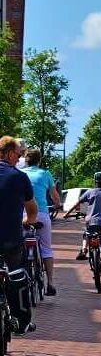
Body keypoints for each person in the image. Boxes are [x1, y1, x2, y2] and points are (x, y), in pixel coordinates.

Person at [0, 136, 38, 333]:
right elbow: (32, 210)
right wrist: (28, 223)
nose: (19, 158)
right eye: (18, 154)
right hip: (10, 240)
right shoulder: (19, 177)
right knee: (16, 274)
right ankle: (21, 320)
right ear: (8, 153)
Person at [22, 148, 61, 296]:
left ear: (26, 160)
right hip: (42, 214)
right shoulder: (45, 174)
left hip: (24, 215)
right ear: (39, 160)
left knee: (21, 246)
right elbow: (55, 196)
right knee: (46, 249)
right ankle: (50, 283)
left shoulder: (21, 174)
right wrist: (57, 205)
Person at [71, 172, 101, 280]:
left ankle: (84, 249)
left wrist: (67, 214)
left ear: (94, 181)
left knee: (86, 234)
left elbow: (78, 202)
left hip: (90, 221)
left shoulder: (90, 192)